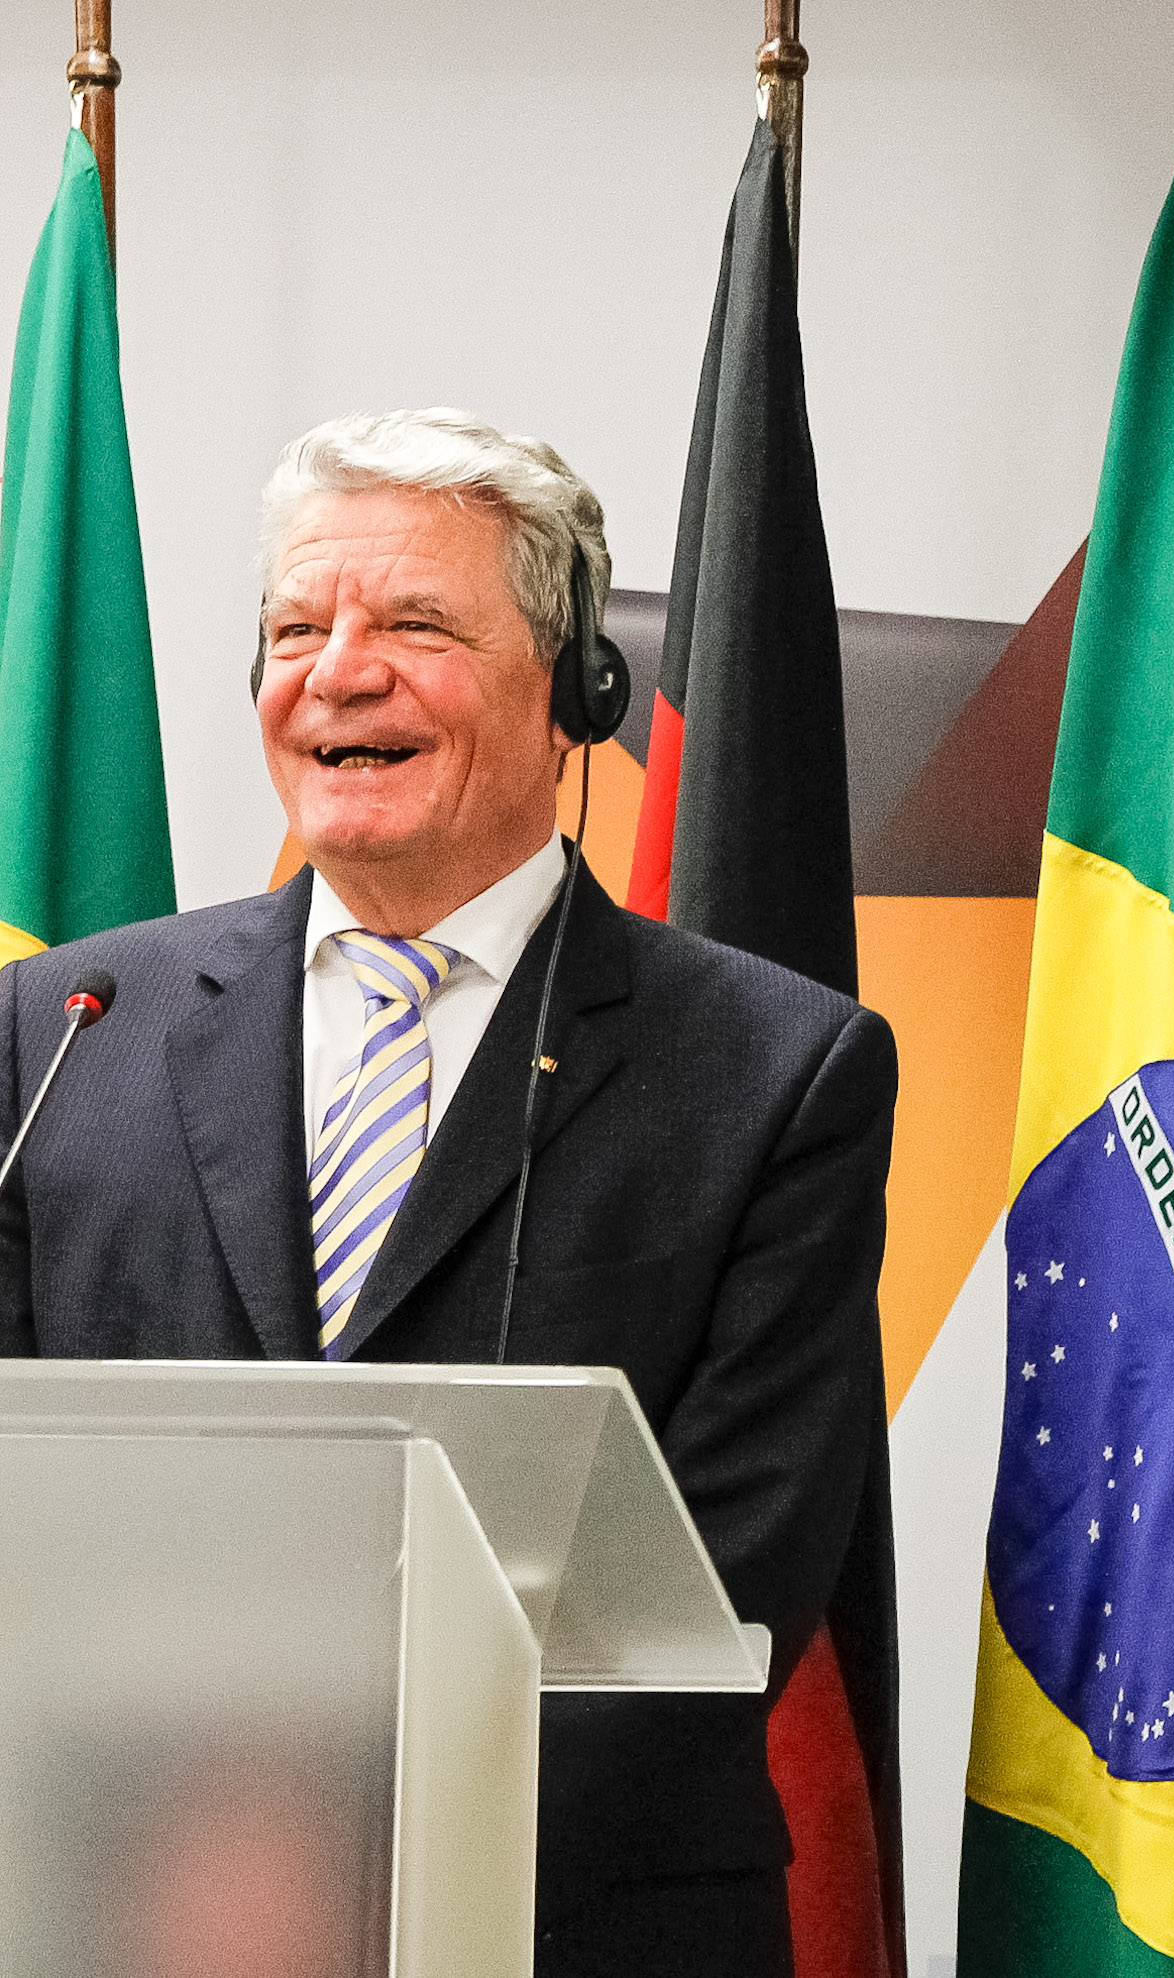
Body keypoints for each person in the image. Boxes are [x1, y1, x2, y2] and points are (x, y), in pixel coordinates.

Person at [0, 408, 894, 1978]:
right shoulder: (70, 1029)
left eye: (414, 622)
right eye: (295, 628)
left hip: (584, 1919)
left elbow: (732, 1565)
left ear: (575, 693)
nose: (339, 671)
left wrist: (354, 1860)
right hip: (126, 1908)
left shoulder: (779, 1069)